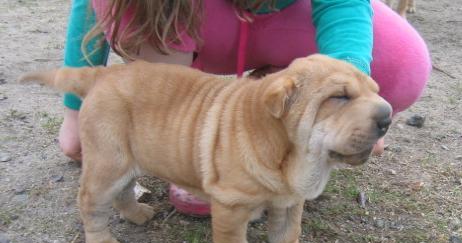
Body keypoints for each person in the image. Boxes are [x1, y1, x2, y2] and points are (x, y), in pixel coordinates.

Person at [60, 0, 431, 215]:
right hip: (192, 12)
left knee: (402, 62)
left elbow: (343, 5)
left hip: (287, 11)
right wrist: (76, 109)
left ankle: (275, 104)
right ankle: (190, 149)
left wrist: (352, 100)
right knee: (143, 7)